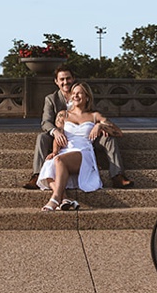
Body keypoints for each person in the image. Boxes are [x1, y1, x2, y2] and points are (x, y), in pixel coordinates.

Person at [23, 66, 131, 189]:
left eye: (68, 78)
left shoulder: (83, 94)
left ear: (73, 79)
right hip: (62, 137)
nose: (65, 82)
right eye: (61, 79)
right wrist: (56, 132)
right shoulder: (51, 99)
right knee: (42, 137)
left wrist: (99, 125)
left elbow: (93, 115)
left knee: (109, 138)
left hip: (87, 136)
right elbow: (46, 122)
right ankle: (37, 175)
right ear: (56, 81)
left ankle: (117, 175)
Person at [37, 82, 115, 210]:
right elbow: (59, 135)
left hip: (83, 151)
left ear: (87, 96)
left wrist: (100, 125)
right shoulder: (63, 114)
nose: (75, 96)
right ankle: (65, 198)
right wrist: (55, 151)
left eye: (79, 93)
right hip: (65, 151)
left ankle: (55, 198)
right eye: (73, 93)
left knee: (59, 160)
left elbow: (117, 131)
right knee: (49, 164)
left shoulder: (94, 115)